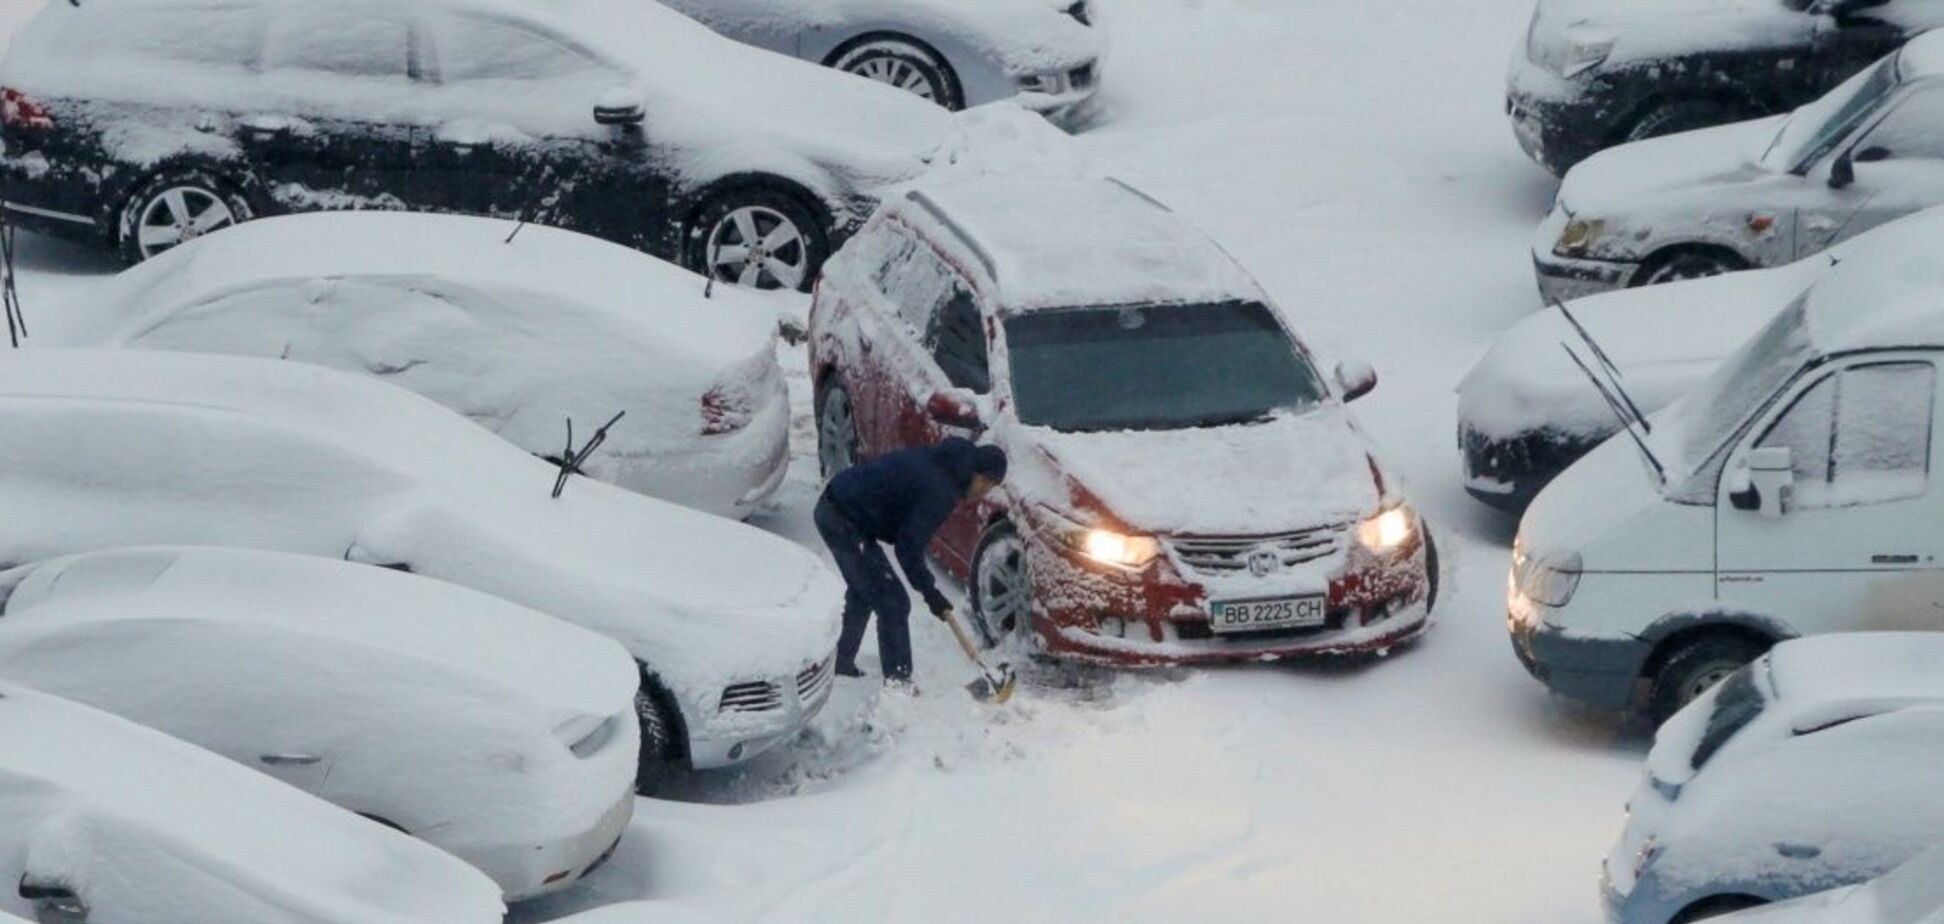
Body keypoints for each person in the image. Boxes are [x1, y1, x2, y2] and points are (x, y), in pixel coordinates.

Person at [814, 437, 1008, 683]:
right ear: (975, 471)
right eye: (986, 481)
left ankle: (841, 664)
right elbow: (908, 548)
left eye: (991, 486)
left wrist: (929, 591)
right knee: (893, 603)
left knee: (865, 589)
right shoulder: (940, 491)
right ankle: (899, 684)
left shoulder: (946, 465)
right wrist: (930, 593)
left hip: (843, 508)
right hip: (842, 519)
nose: (984, 490)